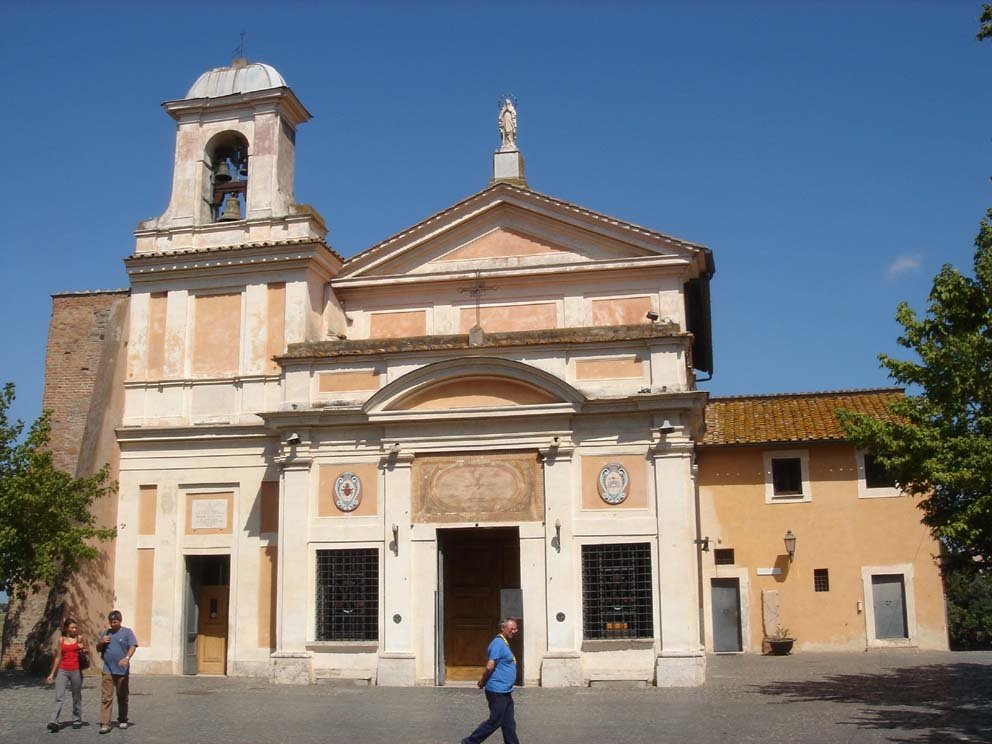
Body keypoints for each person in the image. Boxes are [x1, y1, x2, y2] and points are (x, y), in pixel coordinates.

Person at [461, 617, 521, 744]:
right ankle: (470, 742)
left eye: (516, 629)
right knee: (495, 721)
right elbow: (490, 666)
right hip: (497, 691)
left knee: (508, 723)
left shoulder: (504, 643)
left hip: (505, 690)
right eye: (512, 628)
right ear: (503, 628)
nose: (515, 631)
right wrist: (482, 681)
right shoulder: (498, 643)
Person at [95, 610, 138, 734]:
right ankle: (105, 723)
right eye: (111, 622)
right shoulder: (106, 633)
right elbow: (98, 648)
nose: (113, 624)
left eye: (115, 622)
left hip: (122, 671)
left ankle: (123, 718)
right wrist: (101, 642)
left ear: (120, 621)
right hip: (107, 669)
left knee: (122, 696)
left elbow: (133, 646)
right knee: (106, 697)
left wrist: (126, 658)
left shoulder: (127, 632)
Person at [46, 617, 88, 732]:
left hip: (76, 670)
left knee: (76, 696)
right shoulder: (61, 640)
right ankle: (53, 720)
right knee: (59, 696)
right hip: (63, 670)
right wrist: (52, 673)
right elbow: (58, 656)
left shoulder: (79, 638)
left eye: (75, 627)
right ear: (66, 628)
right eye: (72, 627)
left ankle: (77, 719)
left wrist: (83, 648)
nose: (75, 629)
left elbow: (86, 651)